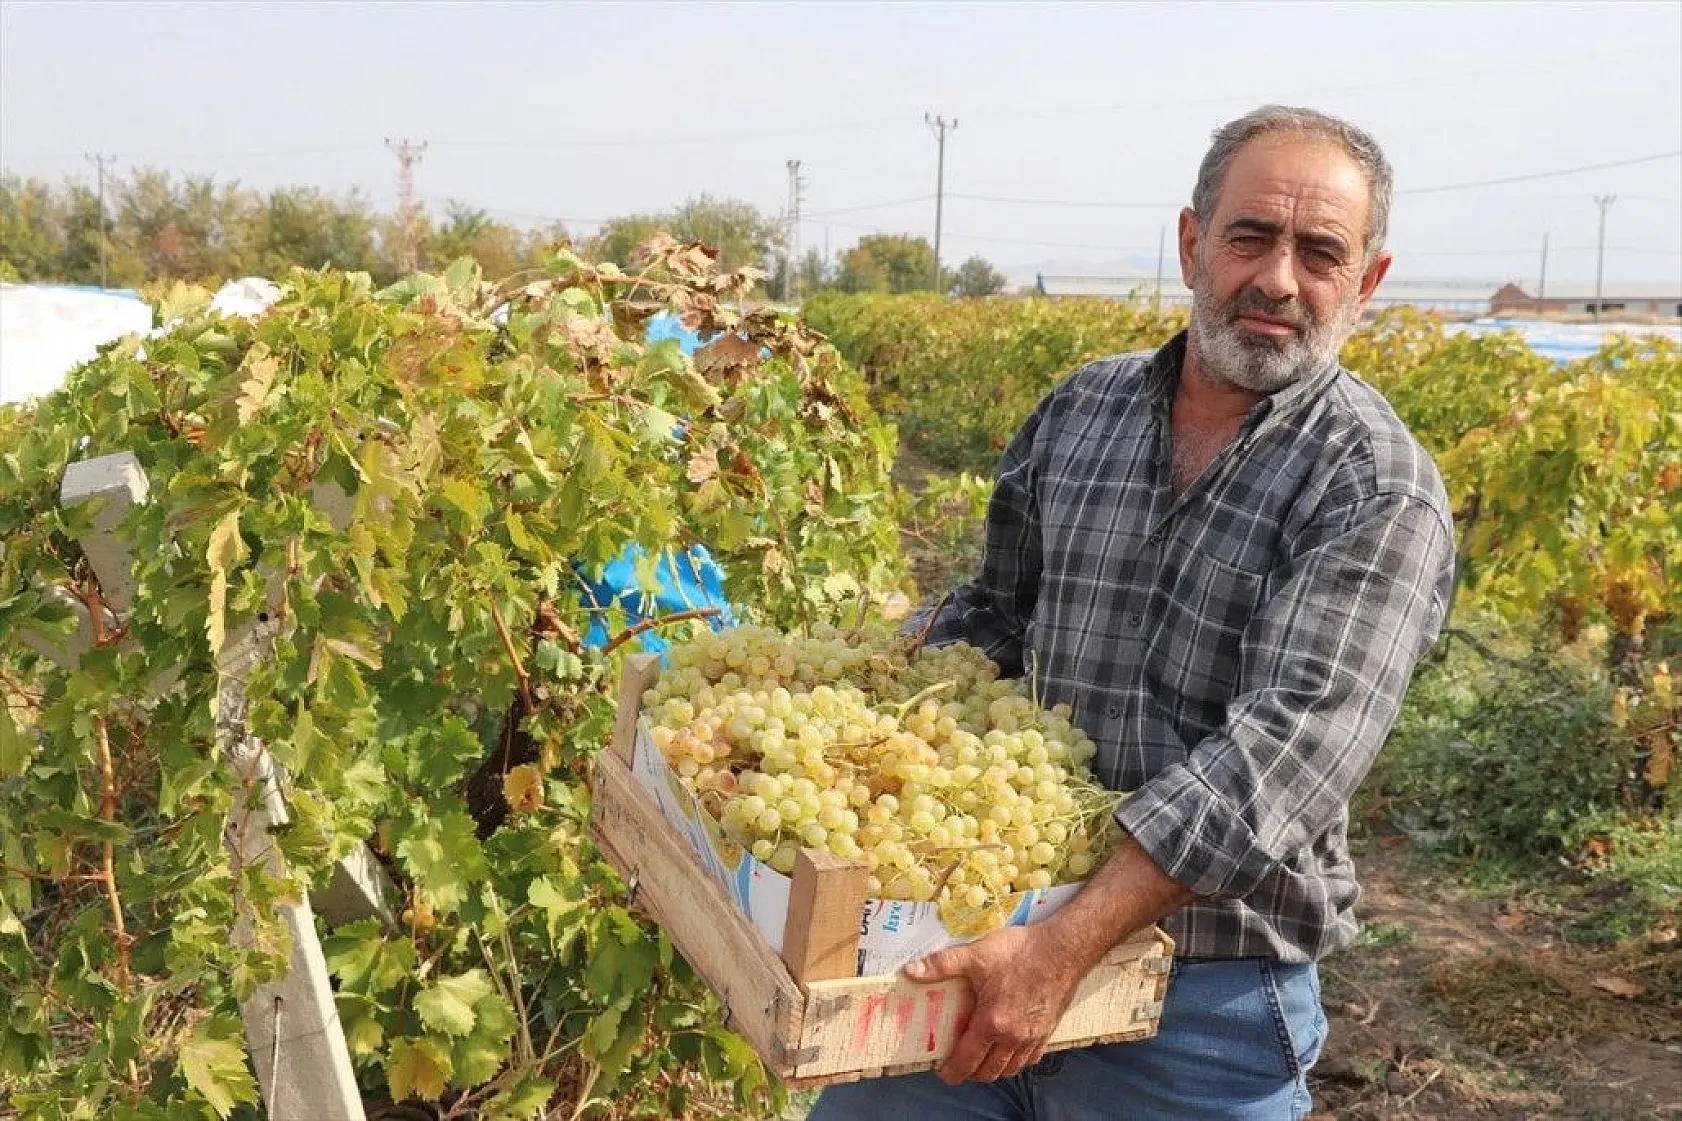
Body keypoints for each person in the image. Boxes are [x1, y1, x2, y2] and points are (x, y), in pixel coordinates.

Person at [810, 105, 1457, 1121]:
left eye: (1319, 252)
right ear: (1193, 242)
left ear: (1364, 283)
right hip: (972, 943)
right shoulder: (1083, 408)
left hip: (1196, 1011)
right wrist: (856, 717)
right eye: (1248, 235)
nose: (1277, 279)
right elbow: (994, 616)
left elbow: (1279, 758)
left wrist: (1061, 949)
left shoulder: (1373, 488)